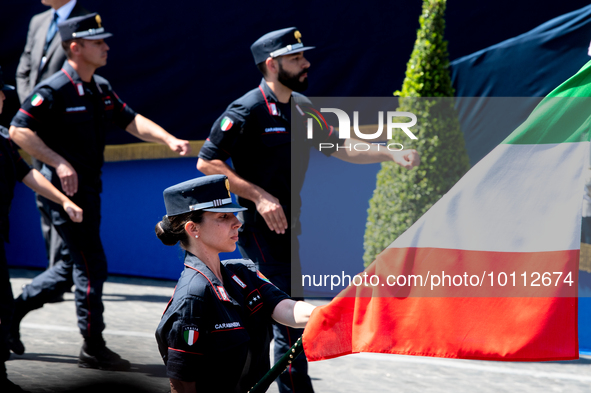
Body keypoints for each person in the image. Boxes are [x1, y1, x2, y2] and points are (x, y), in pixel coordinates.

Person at [197, 27, 420, 392]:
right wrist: (259, 196)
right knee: (288, 317)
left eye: (303, 56)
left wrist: (388, 150)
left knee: (265, 314)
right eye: (296, 57)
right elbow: (208, 162)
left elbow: (339, 144)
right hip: (256, 227)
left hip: (288, 227)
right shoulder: (247, 108)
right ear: (272, 64)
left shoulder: (300, 106)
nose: (306, 63)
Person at [7, 13, 191, 371]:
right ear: (75, 48)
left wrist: (168, 138)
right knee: (93, 266)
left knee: (66, 270)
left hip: (90, 189)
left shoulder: (99, 87)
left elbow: (130, 119)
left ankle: (10, 313)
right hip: (64, 193)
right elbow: (18, 130)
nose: (106, 47)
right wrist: (59, 162)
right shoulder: (54, 89)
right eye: (98, 42)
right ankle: (93, 346)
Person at [155, 175, 316, 393]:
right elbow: (182, 385)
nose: (237, 222)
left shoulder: (242, 272)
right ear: (194, 229)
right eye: (223, 216)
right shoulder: (192, 297)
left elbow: (286, 308)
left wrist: (330, 314)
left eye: (234, 214)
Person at [0, 66, 83, 392]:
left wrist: (64, 201)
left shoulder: (3, 136)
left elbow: (25, 173)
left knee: (3, 306)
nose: (4, 98)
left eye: (4, 93)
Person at [17, 0, 90, 302]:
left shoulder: (85, 18)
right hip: (34, 127)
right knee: (44, 200)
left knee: (66, 201)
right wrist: (32, 105)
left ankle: (64, 273)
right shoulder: (38, 20)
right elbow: (24, 70)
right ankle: (55, 273)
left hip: (63, 129)